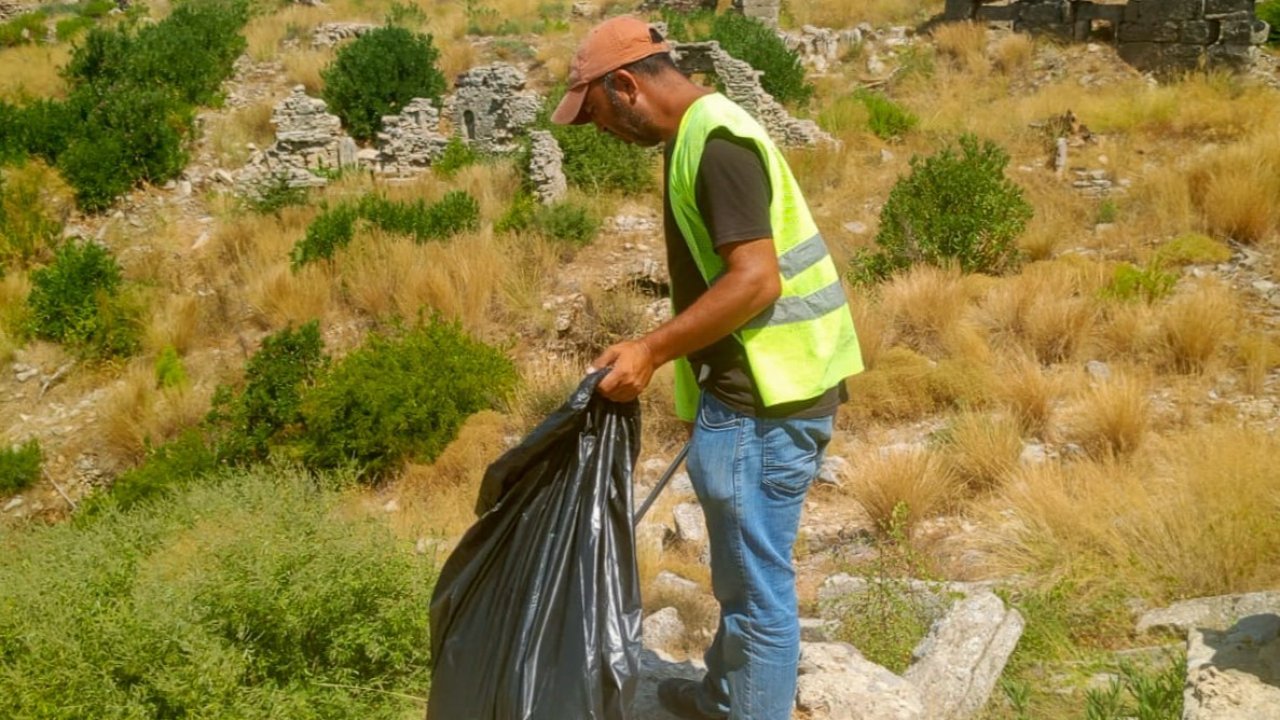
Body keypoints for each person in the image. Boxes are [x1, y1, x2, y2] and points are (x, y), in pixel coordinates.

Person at [552, 15, 864, 720]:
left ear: (626, 85)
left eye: (595, 111)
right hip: (760, 393)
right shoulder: (695, 133)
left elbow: (756, 282)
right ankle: (728, 693)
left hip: (765, 402)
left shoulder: (715, 143)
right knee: (742, 576)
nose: (597, 130)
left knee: (756, 592)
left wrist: (651, 350)